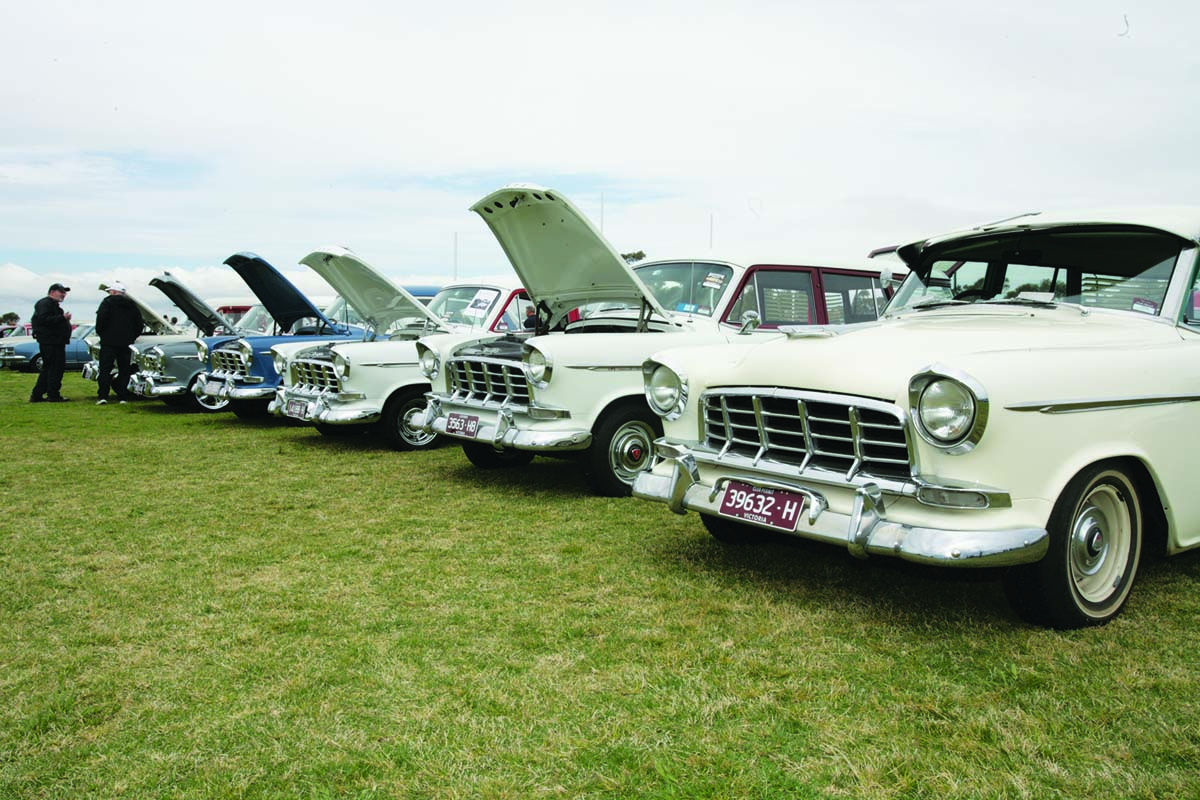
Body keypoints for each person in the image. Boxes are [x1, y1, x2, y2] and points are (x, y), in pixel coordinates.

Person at [94, 282, 144, 405]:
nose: (109, 293)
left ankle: (102, 396)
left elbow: (101, 319)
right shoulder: (131, 305)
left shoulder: (107, 303)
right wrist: (132, 336)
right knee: (124, 369)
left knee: (105, 369)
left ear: (114, 292)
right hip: (126, 342)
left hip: (108, 342)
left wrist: (102, 334)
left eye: (110, 291)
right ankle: (122, 396)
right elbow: (139, 324)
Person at [30, 283, 73, 402]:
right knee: (55, 368)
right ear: (52, 292)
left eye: (65, 292)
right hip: (51, 342)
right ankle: (53, 395)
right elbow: (44, 320)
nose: (64, 295)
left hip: (54, 341)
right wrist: (62, 318)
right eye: (61, 292)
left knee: (48, 368)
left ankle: (37, 394)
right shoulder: (45, 303)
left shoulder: (52, 304)